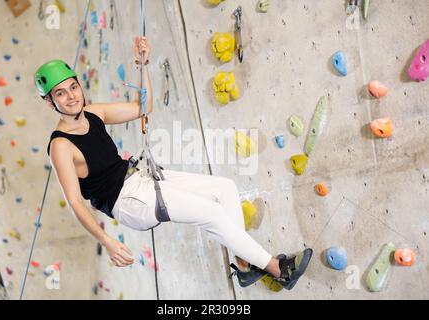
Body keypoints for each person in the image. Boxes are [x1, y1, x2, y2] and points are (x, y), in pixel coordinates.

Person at [35, 37, 312, 290]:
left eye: (73, 87)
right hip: (128, 201)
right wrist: (107, 241)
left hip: (140, 179)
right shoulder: (60, 145)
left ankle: (244, 265)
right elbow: (74, 202)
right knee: (212, 213)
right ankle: (277, 269)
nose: (71, 96)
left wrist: (142, 64)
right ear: (50, 103)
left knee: (224, 189)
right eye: (60, 93)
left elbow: (143, 107)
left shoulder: (93, 113)